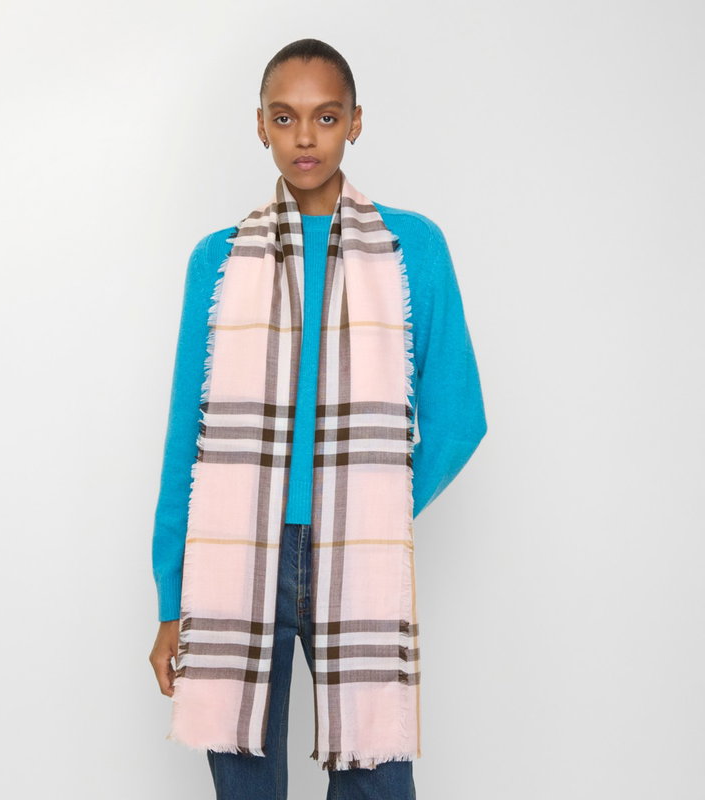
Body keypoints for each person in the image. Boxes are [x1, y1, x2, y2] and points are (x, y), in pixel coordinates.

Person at [149, 38, 487, 800]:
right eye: (285, 117)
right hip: (237, 557)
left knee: (377, 779)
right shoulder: (218, 260)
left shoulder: (410, 248)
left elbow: (459, 416)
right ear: (260, 126)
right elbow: (185, 440)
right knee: (245, 783)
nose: (305, 136)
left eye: (326, 117)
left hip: (355, 551)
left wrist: (374, 505)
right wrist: (171, 601)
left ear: (355, 123)